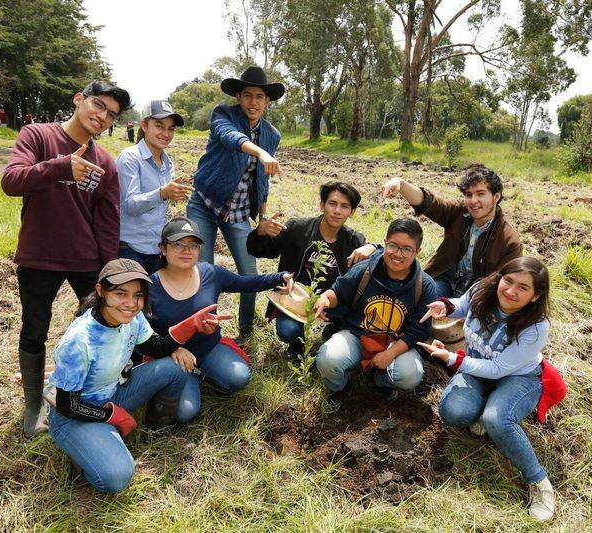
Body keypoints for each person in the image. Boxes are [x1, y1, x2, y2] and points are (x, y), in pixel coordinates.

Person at [1, 80, 131, 437]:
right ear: (79, 100)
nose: (103, 117)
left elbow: (108, 222)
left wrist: (109, 273)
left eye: (112, 115)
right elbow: (11, 181)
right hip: (38, 256)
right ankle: (33, 406)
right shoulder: (37, 136)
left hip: (84, 258)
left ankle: (97, 391)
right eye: (99, 106)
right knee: (34, 330)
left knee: (105, 324)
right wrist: (59, 167)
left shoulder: (105, 162)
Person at [47, 258, 225, 493]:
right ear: (101, 291)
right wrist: (111, 415)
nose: (131, 303)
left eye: (138, 295)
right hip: (74, 413)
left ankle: (156, 429)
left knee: (175, 367)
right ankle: (82, 456)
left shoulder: (132, 317)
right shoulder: (80, 340)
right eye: (121, 294)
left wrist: (189, 327)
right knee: (117, 478)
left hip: (115, 390)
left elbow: (156, 348)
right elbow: (66, 404)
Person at [417, 257, 559, 521]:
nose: (510, 291)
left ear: (535, 295)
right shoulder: (483, 289)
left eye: (523, 287)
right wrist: (445, 306)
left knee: (498, 419)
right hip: (477, 367)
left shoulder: (536, 326)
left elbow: (498, 369)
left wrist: (452, 359)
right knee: (453, 412)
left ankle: (539, 483)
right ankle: (487, 403)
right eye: (508, 281)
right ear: (500, 277)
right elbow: (462, 304)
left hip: (518, 377)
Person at [147, 217, 294, 423]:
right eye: (178, 244)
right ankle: (190, 377)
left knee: (239, 377)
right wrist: (171, 349)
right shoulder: (149, 287)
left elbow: (245, 283)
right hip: (174, 358)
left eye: (193, 245)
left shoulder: (210, 273)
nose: (186, 250)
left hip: (209, 348)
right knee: (184, 413)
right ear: (163, 248)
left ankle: (203, 372)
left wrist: (280, 277)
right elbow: (139, 332)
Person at [186, 65, 285, 346]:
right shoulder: (223, 115)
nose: (253, 102)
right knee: (203, 272)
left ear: (267, 101)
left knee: (249, 274)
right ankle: (205, 332)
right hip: (205, 204)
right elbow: (231, 138)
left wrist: (262, 217)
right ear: (239, 97)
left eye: (259, 97)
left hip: (239, 213)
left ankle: (245, 331)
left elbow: (262, 179)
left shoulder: (272, 135)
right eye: (248, 95)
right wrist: (259, 151)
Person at [246, 182, 377, 358]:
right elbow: (260, 250)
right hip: (296, 299)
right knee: (288, 330)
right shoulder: (297, 229)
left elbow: (384, 262)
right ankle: (297, 346)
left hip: (332, 303)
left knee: (350, 324)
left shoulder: (354, 241)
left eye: (344, 206)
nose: (337, 211)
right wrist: (260, 232)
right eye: (332, 203)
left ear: (352, 212)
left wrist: (373, 248)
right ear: (322, 205)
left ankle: (333, 328)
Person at [313, 218, 437, 404]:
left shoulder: (425, 285)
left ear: (417, 252)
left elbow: (418, 330)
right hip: (357, 334)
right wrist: (325, 298)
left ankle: (381, 381)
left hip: (395, 342)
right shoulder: (365, 270)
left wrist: (390, 354)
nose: (398, 254)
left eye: (407, 249)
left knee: (411, 375)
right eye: (393, 246)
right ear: (385, 243)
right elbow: (338, 292)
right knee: (327, 359)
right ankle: (340, 388)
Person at [381, 164, 522, 298]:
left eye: (480, 194)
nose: (473, 201)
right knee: (417, 299)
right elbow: (428, 203)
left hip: (479, 293)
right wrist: (400, 183)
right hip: (445, 279)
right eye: (468, 194)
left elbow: (504, 283)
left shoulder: (510, 241)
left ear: (496, 197)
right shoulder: (458, 213)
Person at [116, 100, 192, 274]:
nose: (166, 134)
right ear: (144, 125)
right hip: (130, 248)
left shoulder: (167, 162)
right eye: (159, 126)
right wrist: (163, 193)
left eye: (171, 128)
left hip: (156, 248)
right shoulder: (130, 158)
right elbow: (130, 204)